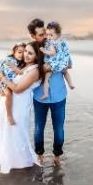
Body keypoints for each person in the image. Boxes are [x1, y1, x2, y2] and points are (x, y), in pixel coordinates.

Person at [0, 41, 40, 173]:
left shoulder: (34, 71)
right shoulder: (22, 66)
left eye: (30, 53)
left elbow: (17, 89)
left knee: (17, 133)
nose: (26, 55)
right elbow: (3, 75)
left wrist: (3, 79)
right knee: (5, 133)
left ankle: (21, 162)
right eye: (25, 52)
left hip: (19, 106)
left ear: (37, 55)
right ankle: (7, 159)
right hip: (6, 104)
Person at [32, 20, 69, 161]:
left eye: (47, 34)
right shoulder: (35, 48)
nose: (46, 37)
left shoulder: (59, 45)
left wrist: (52, 67)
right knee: (39, 127)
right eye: (43, 34)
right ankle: (39, 155)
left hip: (59, 94)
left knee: (58, 128)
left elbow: (69, 63)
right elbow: (23, 63)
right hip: (40, 95)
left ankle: (56, 156)